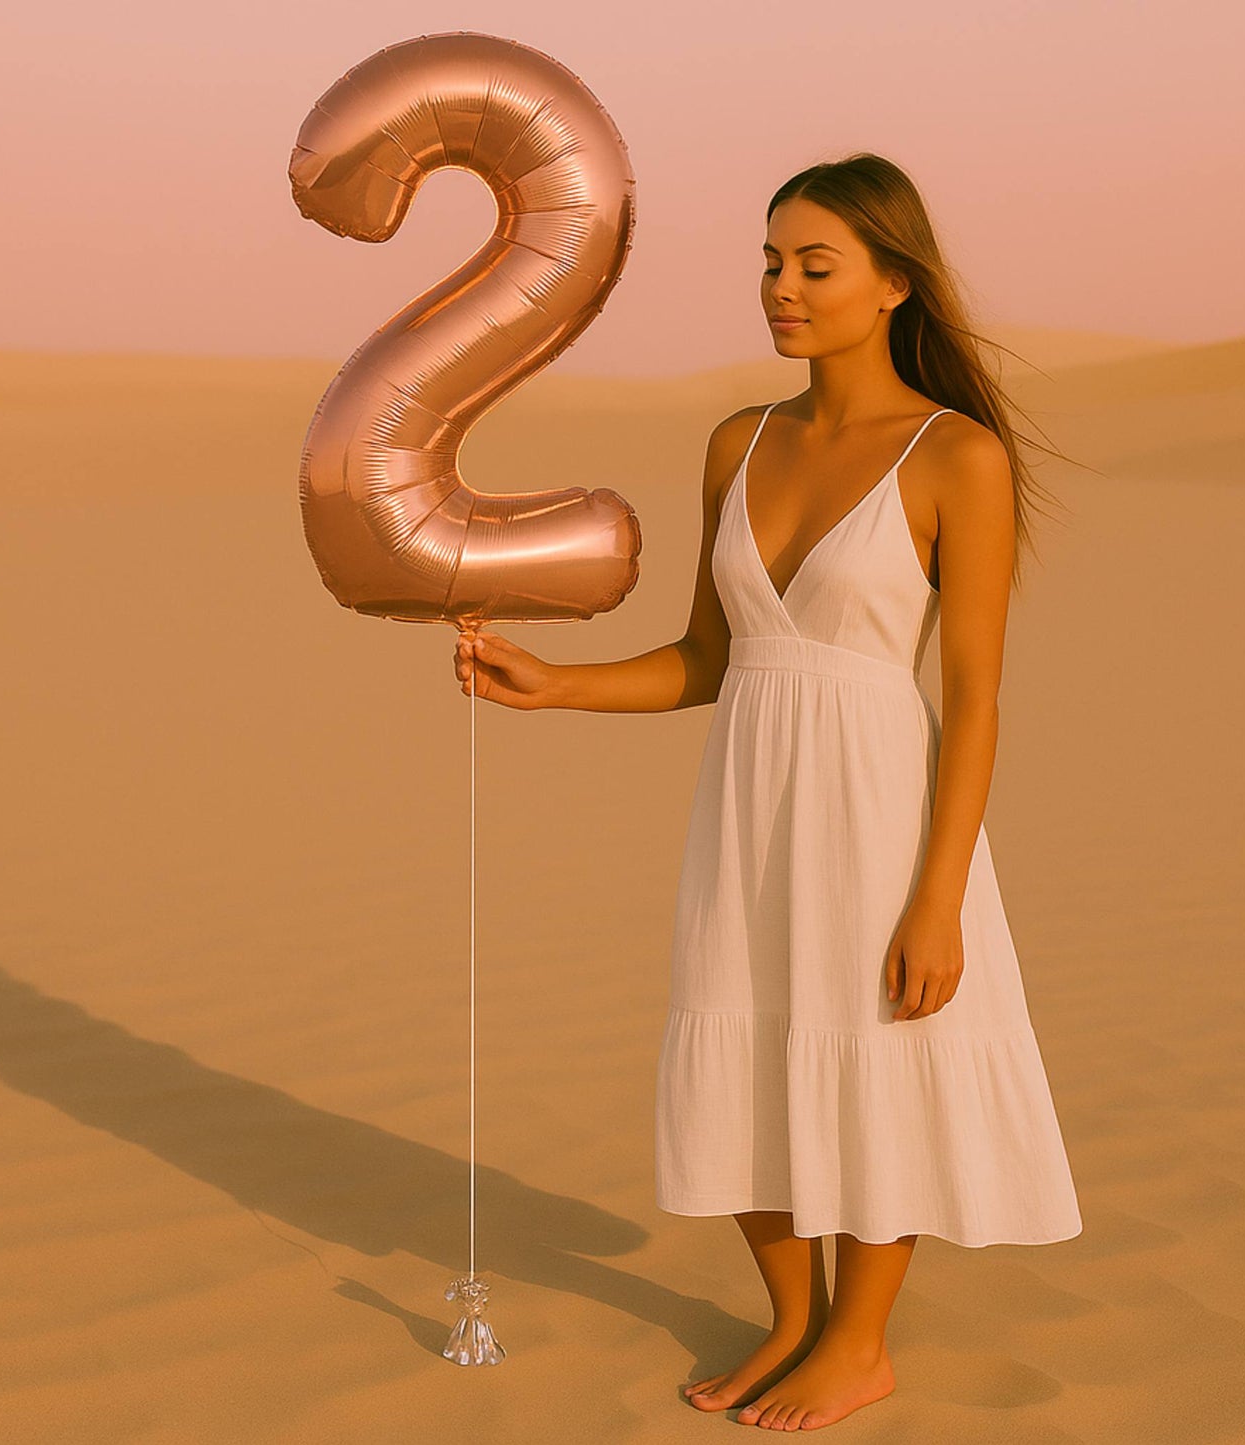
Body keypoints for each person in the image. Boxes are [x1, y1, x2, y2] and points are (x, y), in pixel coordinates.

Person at [452, 151, 1082, 1432]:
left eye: (812, 264)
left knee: (876, 1063)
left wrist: (940, 895)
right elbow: (708, 657)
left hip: (879, 813)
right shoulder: (737, 442)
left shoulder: (953, 456)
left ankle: (860, 1340)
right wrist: (552, 682)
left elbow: (973, 698)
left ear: (892, 283)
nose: (778, 287)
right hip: (747, 809)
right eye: (767, 259)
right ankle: (793, 1318)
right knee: (741, 1041)